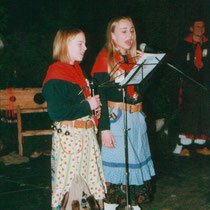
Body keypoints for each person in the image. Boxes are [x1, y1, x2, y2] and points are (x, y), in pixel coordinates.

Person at [91, 17, 155, 209]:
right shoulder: (105, 60)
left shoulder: (134, 58)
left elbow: (142, 91)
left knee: (135, 172)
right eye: (124, 31)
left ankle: (134, 205)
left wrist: (147, 65)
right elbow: (100, 97)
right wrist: (104, 129)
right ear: (112, 35)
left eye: (132, 30)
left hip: (135, 120)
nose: (129, 35)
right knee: (116, 176)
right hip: (116, 121)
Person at [42, 28, 106, 209]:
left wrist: (93, 113)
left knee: (89, 187)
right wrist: (87, 106)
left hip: (85, 138)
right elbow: (56, 113)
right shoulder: (56, 74)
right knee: (70, 189)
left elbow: (79, 105)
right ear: (65, 45)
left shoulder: (76, 70)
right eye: (80, 44)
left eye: (84, 43)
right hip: (70, 141)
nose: (85, 48)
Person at [173, 18, 210, 157]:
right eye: (198, 26)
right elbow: (179, 64)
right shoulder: (183, 45)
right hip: (189, 85)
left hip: (205, 85)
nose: (201, 29)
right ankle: (184, 146)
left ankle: (201, 144)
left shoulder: (207, 43)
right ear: (191, 28)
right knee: (189, 113)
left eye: (203, 26)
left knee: (205, 113)